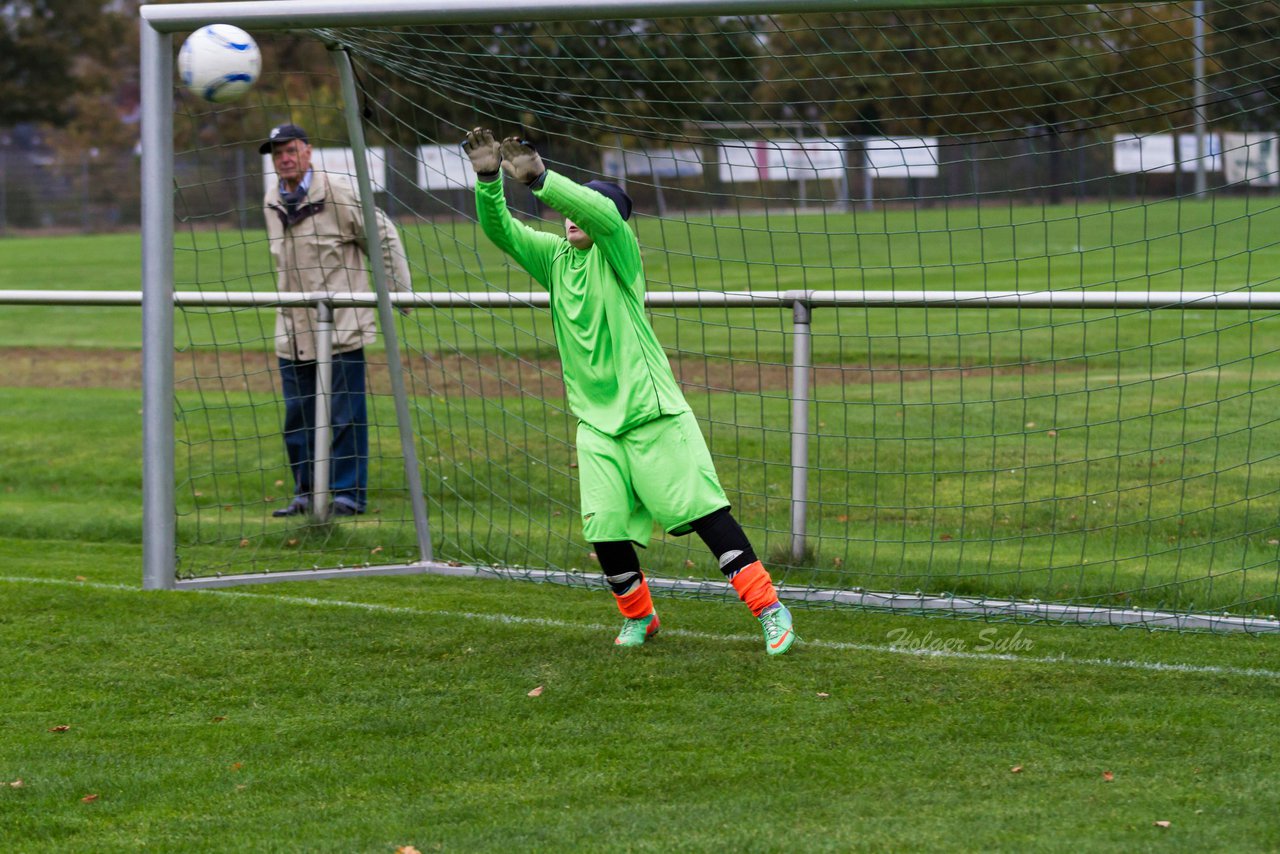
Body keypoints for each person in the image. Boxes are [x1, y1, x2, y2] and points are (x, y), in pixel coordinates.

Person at [462, 127, 796, 655]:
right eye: (571, 208)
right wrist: (488, 180)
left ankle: (770, 610)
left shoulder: (619, 254)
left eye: (589, 209)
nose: (574, 216)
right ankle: (640, 616)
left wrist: (543, 180)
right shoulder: (554, 261)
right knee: (604, 528)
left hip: (653, 415)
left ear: (608, 219)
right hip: (596, 423)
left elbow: (597, 214)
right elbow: (501, 230)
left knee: (708, 517)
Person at [261, 123, 412, 518]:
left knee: (344, 414)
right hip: (292, 331)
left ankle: (347, 495)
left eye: (291, 150)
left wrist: (400, 292)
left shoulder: (340, 193)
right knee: (298, 416)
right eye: (278, 154)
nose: (285, 159)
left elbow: (384, 236)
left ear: (309, 151)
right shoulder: (271, 200)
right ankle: (305, 493)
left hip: (341, 326)